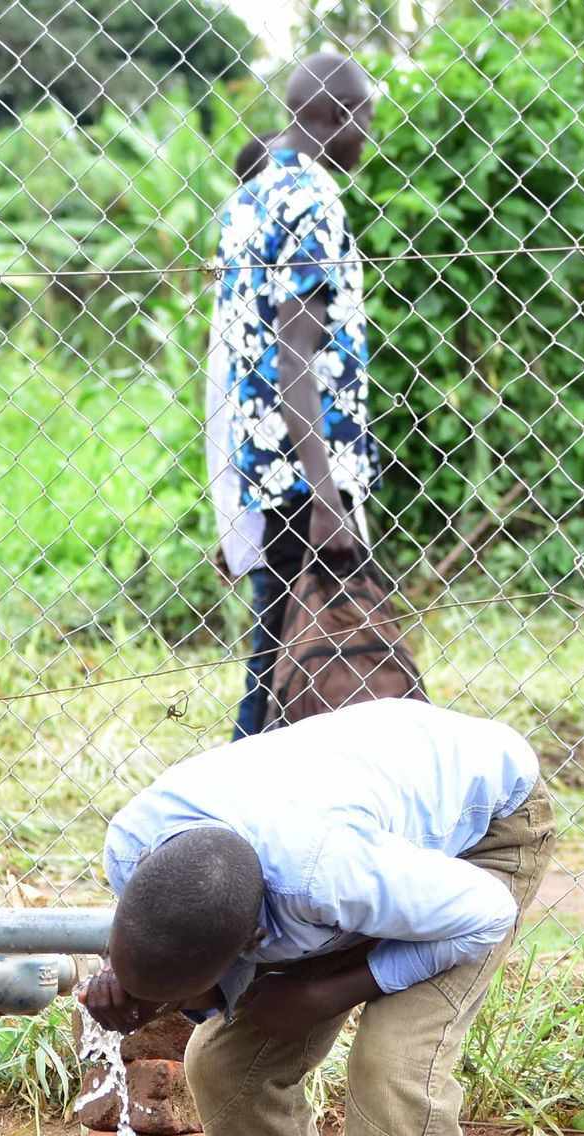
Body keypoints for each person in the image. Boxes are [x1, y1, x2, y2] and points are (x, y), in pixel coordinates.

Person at [79, 700, 554, 1136]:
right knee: (227, 1064)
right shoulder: (135, 849)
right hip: (358, 839)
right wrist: (140, 991)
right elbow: (179, 953)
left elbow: (484, 915)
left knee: (394, 1069)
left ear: (250, 942)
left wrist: (327, 991)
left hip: (478, 846)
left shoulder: (327, 877)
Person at [212, 54, 379, 740]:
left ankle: (242, 814)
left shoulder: (250, 196)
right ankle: (229, 819)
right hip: (306, 476)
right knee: (291, 665)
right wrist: (327, 498)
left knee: (282, 654)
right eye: (366, 116)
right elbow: (291, 355)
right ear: (335, 116)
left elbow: (229, 351)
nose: (370, 133)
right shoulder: (314, 202)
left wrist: (230, 492)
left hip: (265, 463)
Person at [205, 132, 279, 588]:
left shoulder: (242, 253)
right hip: (266, 478)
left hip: (263, 481)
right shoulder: (245, 259)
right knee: (276, 621)